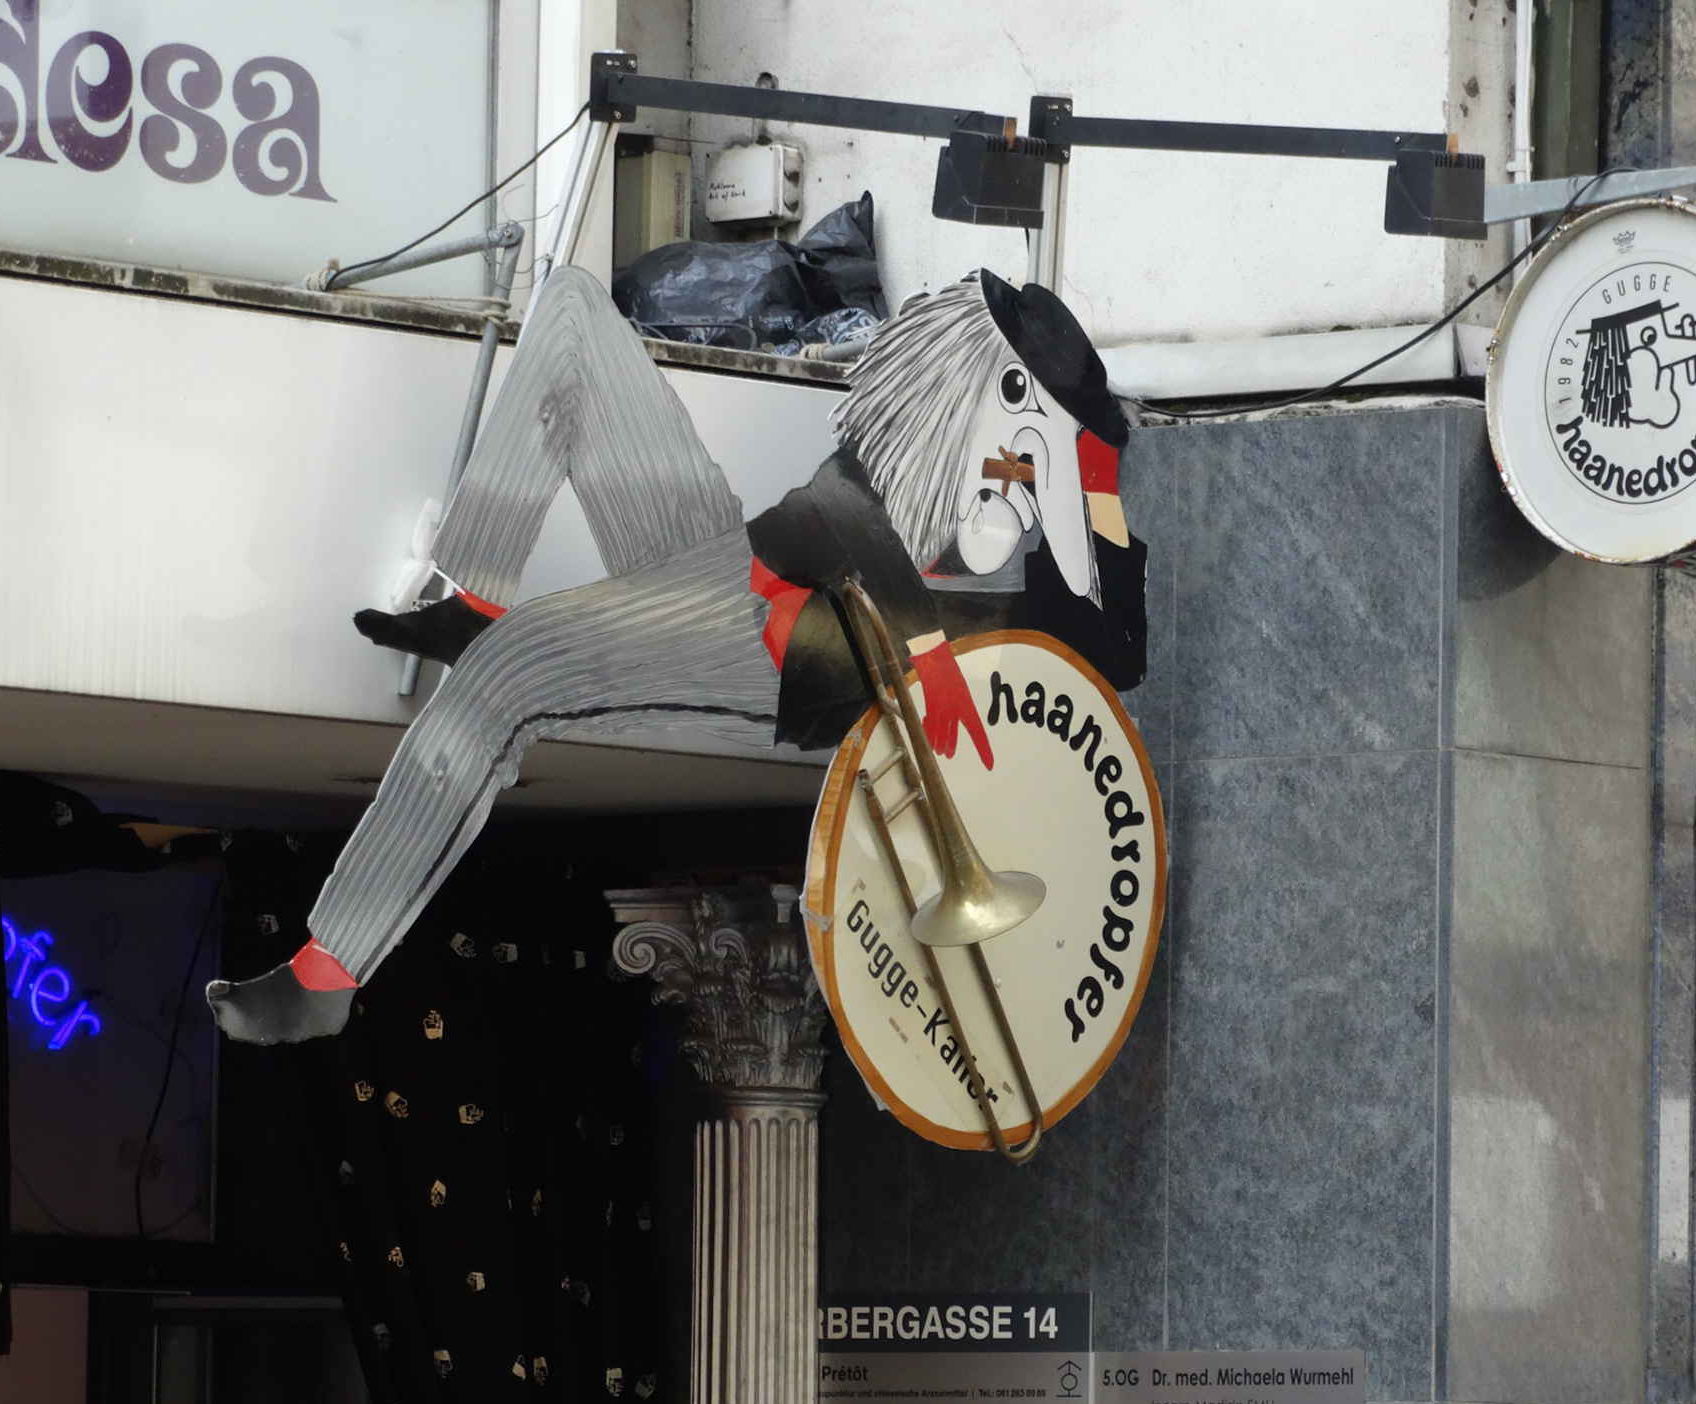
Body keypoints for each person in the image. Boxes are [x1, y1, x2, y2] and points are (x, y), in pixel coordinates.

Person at [206, 267, 1146, 1044]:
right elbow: (817, 516)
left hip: (775, 661)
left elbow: (1117, 657)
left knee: (508, 672)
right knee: (573, 312)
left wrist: (1096, 480)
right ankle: (475, 596)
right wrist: (928, 624)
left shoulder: (1028, 542)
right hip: (736, 564)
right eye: (1013, 396)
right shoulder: (905, 467)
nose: (1021, 447)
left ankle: (327, 972)